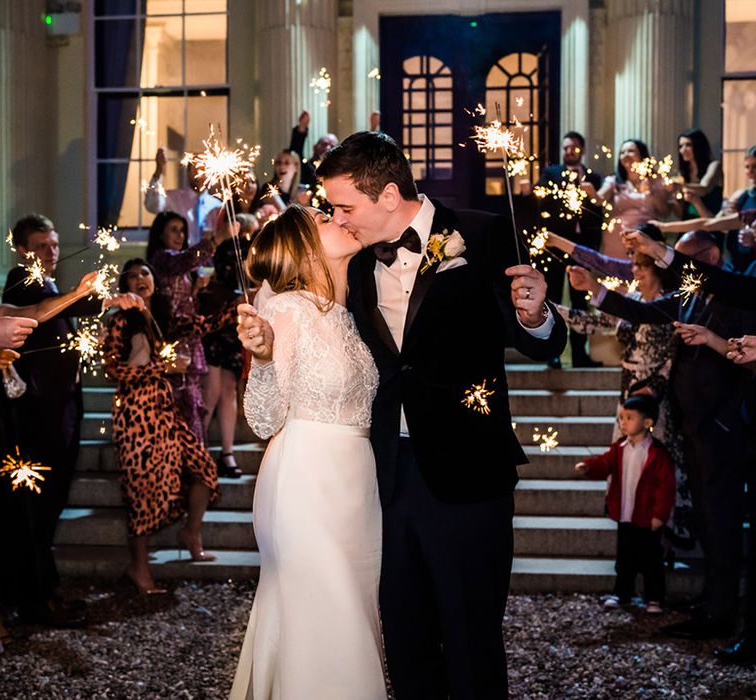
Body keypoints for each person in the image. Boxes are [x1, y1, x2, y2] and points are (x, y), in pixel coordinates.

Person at [239, 131, 567, 699]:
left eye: (345, 206)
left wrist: (540, 314)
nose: (339, 219)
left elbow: (539, 341)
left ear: (388, 195)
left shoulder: (484, 233)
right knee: (404, 635)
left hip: (468, 471)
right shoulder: (352, 265)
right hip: (382, 478)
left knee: (470, 637)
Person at [230, 205, 387, 699]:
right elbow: (262, 419)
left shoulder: (349, 313)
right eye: (323, 219)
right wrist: (263, 358)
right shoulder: (286, 309)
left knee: (354, 615)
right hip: (305, 483)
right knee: (326, 619)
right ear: (304, 247)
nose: (339, 218)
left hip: (356, 485)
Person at [585, 229, 756, 640]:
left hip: (722, 428)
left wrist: (660, 251)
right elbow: (649, 312)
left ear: (711, 255)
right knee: (708, 521)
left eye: (686, 259)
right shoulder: (692, 294)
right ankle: (713, 600)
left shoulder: (737, 292)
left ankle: (722, 611)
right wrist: (596, 291)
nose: (677, 269)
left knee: (722, 522)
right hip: (693, 428)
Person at [1, 214, 143, 627]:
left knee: (52, 501)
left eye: (55, 243)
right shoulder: (20, 279)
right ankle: (34, 600)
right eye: (42, 245)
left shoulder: (46, 284)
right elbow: (37, 313)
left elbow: (52, 331)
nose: (52, 251)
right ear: (24, 250)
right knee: (39, 506)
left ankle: (44, 592)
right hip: (40, 410)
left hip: (61, 402)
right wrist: (106, 300)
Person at [103, 259, 229, 593]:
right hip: (134, 414)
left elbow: (208, 324)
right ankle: (139, 571)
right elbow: (112, 370)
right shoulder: (119, 323)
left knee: (204, 470)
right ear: (125, 287)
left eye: (144, 273)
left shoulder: (167, 317)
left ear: (154, 280)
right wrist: (162, 369)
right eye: (131, 276)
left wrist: (243, 308)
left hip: (165, 412)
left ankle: (191, 531)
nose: (139, 279)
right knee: (142, 493)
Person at [562, 259, 691, 548]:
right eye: (634, 267)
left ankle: (663, 538)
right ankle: (630, 529)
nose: (635, 272)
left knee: (656, 467)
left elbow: (674, 354)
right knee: (625, 463)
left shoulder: (670, 304)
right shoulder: (628, 301)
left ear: (659, 269)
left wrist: (654, 388)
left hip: (656, 399)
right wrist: (550, 309)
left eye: (643, 267)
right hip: (628, 392)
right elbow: (593, 323)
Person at [575, 395, 675, 613]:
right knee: (625, 559)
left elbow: (665, 487)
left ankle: (654, 597)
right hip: (625, 515)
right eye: (621, 418)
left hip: (647, 517)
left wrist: (659, 514)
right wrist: (589, 467)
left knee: (651, 560)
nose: (623, 423)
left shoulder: (657, 453)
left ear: (647, 423)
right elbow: (604, 463)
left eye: (629, 418)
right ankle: (622, 593)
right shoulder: (619, 448)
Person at [147, 210, 224, 442]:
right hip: (172, 340)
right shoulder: (163, 258)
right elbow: (186, 259)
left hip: (189, 339)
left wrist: (196, 289)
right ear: (160, 234)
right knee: (178, 401)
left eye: (182, 230)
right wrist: (219, 237)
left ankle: (192, 459)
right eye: (173, 230)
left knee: (192, 400)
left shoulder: (180, 265)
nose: (180, 235)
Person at [535, 131, 603, 368]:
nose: (569, 151)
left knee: (580, 301)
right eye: (565, 148)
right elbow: (540, 199)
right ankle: (553, 354)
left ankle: (579, 355)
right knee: (551, 298)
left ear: (582, 149)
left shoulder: (595, 178)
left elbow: (601, 213)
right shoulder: (551, 173)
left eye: (573, 147)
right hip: (554, 245)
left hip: (583, 248)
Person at [201, 213, 258, 478]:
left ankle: (227, 452)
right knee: (211, 392)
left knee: (229, 390)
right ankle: (198, 453)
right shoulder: (224, 249)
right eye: (243, 227)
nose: (245, 231)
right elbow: (220, 285)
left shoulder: (255, 251)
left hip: (236, 326)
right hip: (217, 323)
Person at [652, 145, 756, 272]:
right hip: (735, 263)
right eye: (747, 167)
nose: (751, 171)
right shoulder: (742, 196)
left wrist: (664, 227)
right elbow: (711, 222)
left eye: (755, 167)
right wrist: (696, 202)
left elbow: (709, 222)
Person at [595, 139, 670, 258]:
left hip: (645, 238)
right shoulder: (614, 181)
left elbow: (664, 211)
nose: (625, 155)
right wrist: (589, 191)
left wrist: (651, 191)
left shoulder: (654, 180)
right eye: (622, 152)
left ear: (641, 155)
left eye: (630, 151)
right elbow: (598, 199)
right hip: (617, 239)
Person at [144, 147, 223, 245]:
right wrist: (158, 172)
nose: (200, 175)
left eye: (204, 170)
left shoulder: (217, 205)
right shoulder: (173, 198)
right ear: (189, 172)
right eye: (196, 169)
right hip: (180, 256)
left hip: (208, 258)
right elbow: (152, 205)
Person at [671, 129, 724, 221]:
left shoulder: (714, 166)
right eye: (681, 146)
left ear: (699, 146)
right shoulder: (683, 173)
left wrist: (678, 185)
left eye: (688, 145)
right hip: (689, 222)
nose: (683, 150)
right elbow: (681, 212)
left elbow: (704, 188)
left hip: (711, 222)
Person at [288, 110, 339, 189]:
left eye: (332, 146)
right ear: (315, 147)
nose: (328, 148)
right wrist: (301, 128)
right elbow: (295, 154)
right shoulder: (306, 168)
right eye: (324, 144)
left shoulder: (337, 173)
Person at [251, 150, 302, 216]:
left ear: (296, 167)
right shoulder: (269, 188)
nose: (282, 166)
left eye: (286, 163)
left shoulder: (300, 191)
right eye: (279, 163)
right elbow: (285, 215)